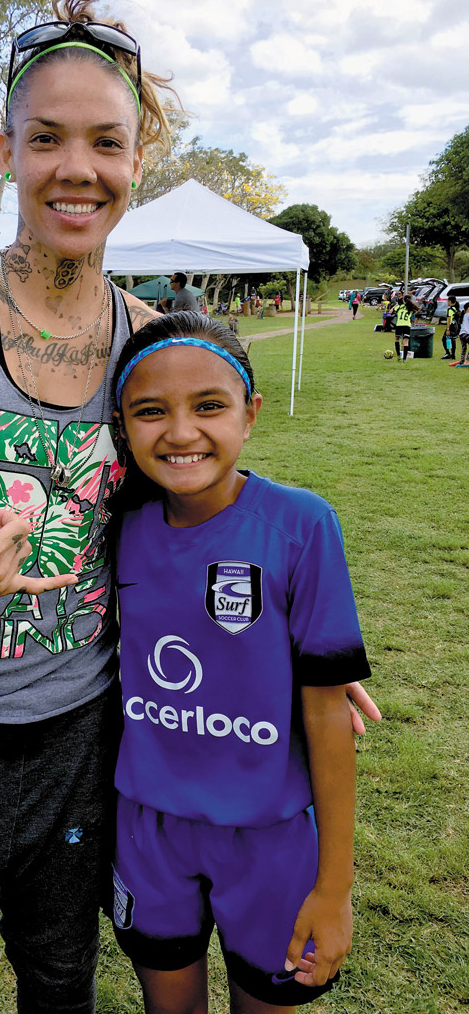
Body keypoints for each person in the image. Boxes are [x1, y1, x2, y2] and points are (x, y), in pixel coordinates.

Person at [0, 0, 380, 1014]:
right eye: (45, 139)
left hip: (85, 741)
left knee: (60, 985)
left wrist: (282, 662)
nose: (75, 169)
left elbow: (157, 524)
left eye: (104, 143)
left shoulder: (148, 349)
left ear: (136, 158)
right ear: (4, 149)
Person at [108, 311, 370, 1014]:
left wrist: (334, 887)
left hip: (269, 841)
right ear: (123, 424)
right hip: (148, 831)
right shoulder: (118, 526)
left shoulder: (301, 523)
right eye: (151, 411)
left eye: (210, 406)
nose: (182, 431)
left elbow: (326, 711)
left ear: (250, 414)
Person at [393, 293, 420, 362]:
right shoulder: (410, 308)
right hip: (407, 325)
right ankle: (404, 358)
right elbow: (418, 310)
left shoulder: (399, 307)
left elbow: (391, 312)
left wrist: (395, 306)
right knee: (406, 342)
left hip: (399, 325)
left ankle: (399, 354)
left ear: (403, 300)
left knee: (397, 339)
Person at [451, 301, 469, 366]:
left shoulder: (463, 315)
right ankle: (467, 361)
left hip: (462, 334)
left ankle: (462, 361)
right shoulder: (468, 315)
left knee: (464, 348)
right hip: (467, 334)